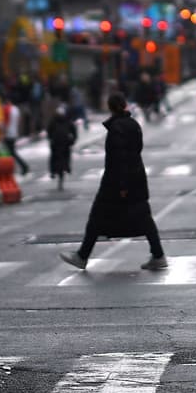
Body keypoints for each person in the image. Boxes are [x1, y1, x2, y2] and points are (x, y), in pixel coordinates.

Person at [60, 94, 167, 271]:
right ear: (124, 105)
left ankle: (82, 256)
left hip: (116, 182)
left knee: (97, 217)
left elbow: (120, 158)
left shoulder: (117, 129)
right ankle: (158, 255)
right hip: (137, 178)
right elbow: (135, 152)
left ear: (110, 108)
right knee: (144, 218)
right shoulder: (134, 124)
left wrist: (122, 185)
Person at [46, 105, 78, 183]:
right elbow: (74, 131)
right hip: (61, 142)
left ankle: (55, 171)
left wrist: (50, 138)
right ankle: (62, 169)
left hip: (60, 142)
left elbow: (49, 131)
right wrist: (73, 140)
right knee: (61, 156)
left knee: (57, 156)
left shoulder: (55, 121)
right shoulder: (63, 121)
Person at [2, 99, 30, 176]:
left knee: (10, 153)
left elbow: (6, 122)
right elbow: (19, 121)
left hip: (8, 134)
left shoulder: (7, 109)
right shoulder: (15, 109)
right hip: (14, 133)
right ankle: (20, 167)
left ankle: (23, 167)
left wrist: (3, 132)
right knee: (11, 153)